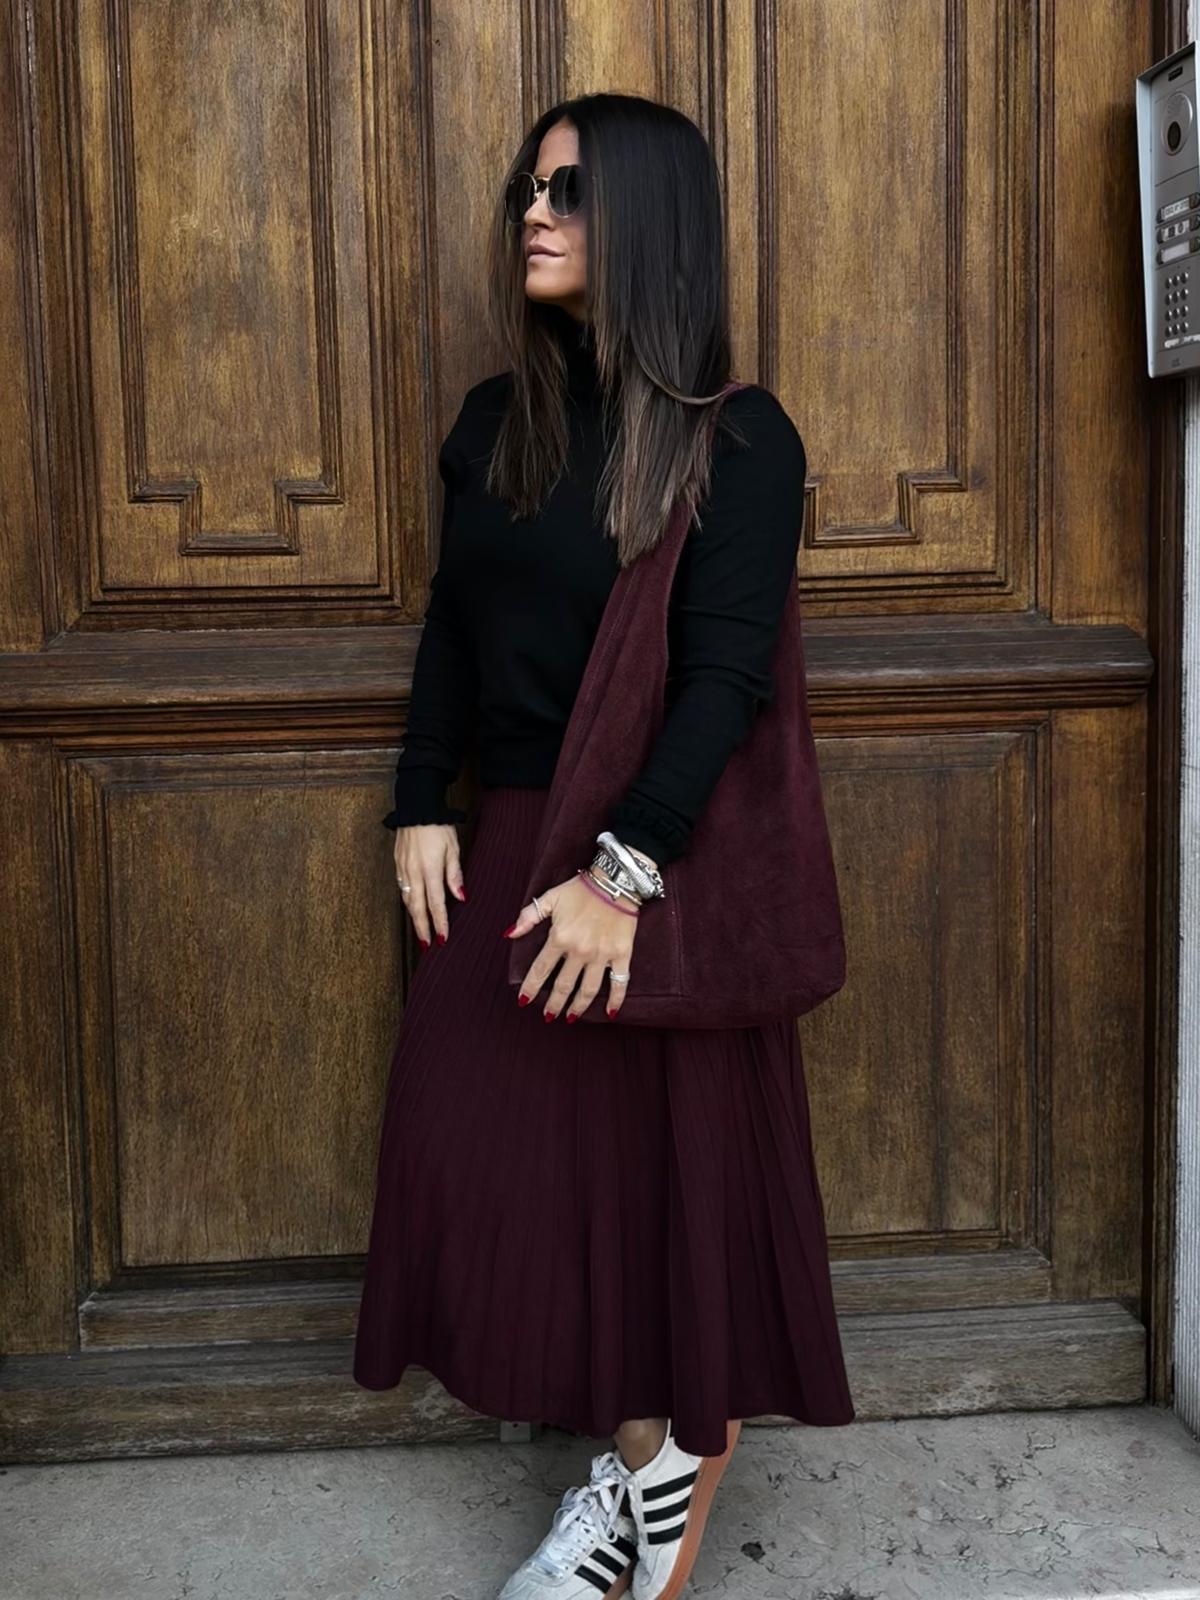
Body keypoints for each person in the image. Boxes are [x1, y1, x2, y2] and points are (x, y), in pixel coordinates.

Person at [353, 91, 855, 1600]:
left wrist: (622, 877)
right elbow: (454, 627)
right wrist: (420, 798)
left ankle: (650, 1470)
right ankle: (654, 1463)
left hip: (649, 865)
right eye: (530, 185)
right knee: (475, 1165)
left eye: (569, 189)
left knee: (640, 1202)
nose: (534, 210)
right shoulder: (494, 424)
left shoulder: (736, 439)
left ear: (652, 217)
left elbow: (724, 681)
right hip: (509, 837)